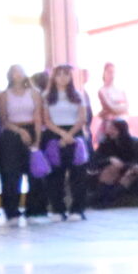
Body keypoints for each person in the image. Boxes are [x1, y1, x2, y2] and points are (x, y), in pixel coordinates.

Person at [35, 65, 90, 222]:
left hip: (75, 134)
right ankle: (58, 209)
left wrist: (70, 134)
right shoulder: (46, 96)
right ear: (54, 77)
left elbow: (82, 118)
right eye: (59, 74)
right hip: (54, 134)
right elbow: (46, 120)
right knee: (55, 174)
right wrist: (62, 134)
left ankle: (77, 210)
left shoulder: (78, 95)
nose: (62, 77)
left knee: (78, 173)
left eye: (66, 74)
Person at [0, 66, 37, 224]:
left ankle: (34, 211)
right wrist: (19, 131)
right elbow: (3, 119)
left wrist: (37, 139)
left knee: (34, 171)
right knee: (11, 173)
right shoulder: (3, 95)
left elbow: (38, 116)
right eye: (14, 72)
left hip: (31, 129)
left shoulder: (34, 93)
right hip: (11, 133)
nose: (17, 75)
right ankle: (12, 212)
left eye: (20, 71)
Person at [94, 61, 128, 145]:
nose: (111, 75)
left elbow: (126, 107)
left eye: (113, 72)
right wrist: (118, 109)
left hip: (122, 124)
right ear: (104, 73)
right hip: (109, 126)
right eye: (109, 72)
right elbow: (110, 107)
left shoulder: (120, 90)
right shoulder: (102, 90)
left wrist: (116, 109)